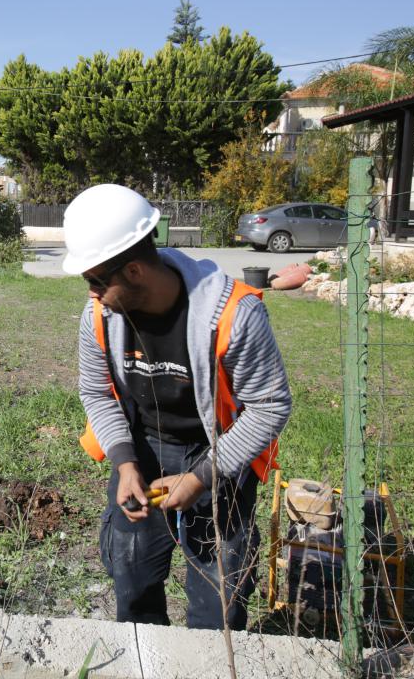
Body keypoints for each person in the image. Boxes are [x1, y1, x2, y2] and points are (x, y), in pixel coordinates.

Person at [62, 184, 291, 629]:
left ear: (133, 271)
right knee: (133, 586)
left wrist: (203, 476)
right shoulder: (99, 319)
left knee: (217, 603)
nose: (91, 294)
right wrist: (126, 464)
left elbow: (268, 405)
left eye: (95, 281)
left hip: (219, 457)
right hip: (144, 452)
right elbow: (96, 393)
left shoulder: (234, 314)